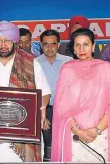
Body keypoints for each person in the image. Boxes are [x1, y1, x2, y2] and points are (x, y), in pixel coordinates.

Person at [0, 21, 51, 162]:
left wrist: (41, 109)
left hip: (23, 134)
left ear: (14, 41)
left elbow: (44, 92)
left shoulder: (31, 63)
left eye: (7, 41)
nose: (3, 45)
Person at [51, 28, 110, 162]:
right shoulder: (67, 70)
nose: (81, 49)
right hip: (75, 136)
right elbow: (61, 106)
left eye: (86, 44)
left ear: (93, 46)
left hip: (101, 135)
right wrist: (77, 131)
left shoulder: (105, 68)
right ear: (73, 48)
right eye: (77, 45)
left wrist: (97, 130)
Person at [36, 29, 73, 161]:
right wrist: (42, 114)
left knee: (65, 142)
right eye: (46, 44)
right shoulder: (34, 63)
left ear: (58, 45)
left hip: (66, 109)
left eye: (53, 44)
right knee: (48, 145)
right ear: (40, 45)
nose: (50, 48)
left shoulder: (69, 62)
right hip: (43, 109)